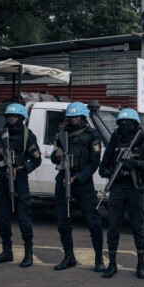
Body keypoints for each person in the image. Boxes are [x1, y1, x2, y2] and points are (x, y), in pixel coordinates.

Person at [98, 108, 144, 279]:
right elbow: (102, 166)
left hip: (135, 187)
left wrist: (136, 164)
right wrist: (111, 172)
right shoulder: (114, 140)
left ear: (135, 124)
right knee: (113, 227)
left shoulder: (142, 141)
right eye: (122, 123)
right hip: (117, 187)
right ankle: (112, 264)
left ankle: (141, 264)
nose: (125, 125)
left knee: (138, 227)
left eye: (128, 123)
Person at [51, 101, 106, 272]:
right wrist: (56, 155)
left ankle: (99, 258)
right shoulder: (62, 135)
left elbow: (94, 163)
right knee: (63, 221)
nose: (74, 119)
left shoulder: (92, 135)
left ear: (83, 117)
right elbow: (55, 158)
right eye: (71, 117)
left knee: (93, 222)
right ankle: (69, 257)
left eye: (77, 116)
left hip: (83, 182)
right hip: (63, 180)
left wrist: (78, 177)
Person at [0, 103, 42, 268]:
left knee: (24, 218)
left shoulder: (27, 136)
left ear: (21, 118)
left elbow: (37, 159)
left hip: (20, 179)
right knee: (3, 217)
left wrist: (21, 168)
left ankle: (28, 253)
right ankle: (6, 252)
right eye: (9, 116)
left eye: (15, 116)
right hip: (2, 177)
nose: (11, 119)